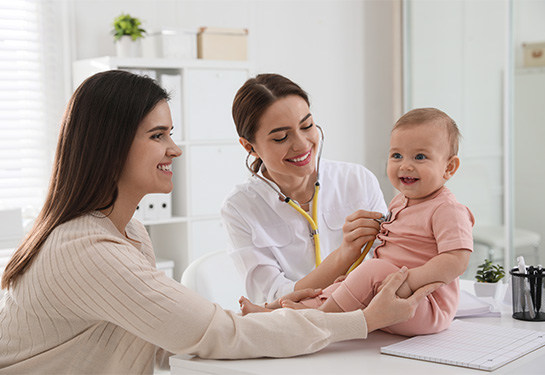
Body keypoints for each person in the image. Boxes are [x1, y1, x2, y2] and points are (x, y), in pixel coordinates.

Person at [0, 70, 441, 374]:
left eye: (170, 133)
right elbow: (213, 333)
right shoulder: (87, 251)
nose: (175, 149)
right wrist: (360, 320)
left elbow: (169, 330)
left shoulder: (129, 230)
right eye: (159, 136)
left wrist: (257, 318)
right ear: (110, 147)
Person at [240, 108, 475, 337]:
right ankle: (273, 313)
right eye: (396, 155)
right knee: (342, 283)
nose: (405, 165)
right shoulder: (400, 201)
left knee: (371, 270)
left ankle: (319, 322)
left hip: (424, 304)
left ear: (449, 167)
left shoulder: (447, 209)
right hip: (387, 298)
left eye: (420, 157)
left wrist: (407, 283)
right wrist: (358, 278)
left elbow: (457, 260)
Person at [221, 73, 388, 304]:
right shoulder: (240, 207)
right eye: (281, 137)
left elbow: (392, 258)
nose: (302, 144)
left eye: (307, 126)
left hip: (369, 318)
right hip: (296, 330)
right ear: (250, 147)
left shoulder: (357, 180)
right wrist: (343, 256)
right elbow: (276, 298)